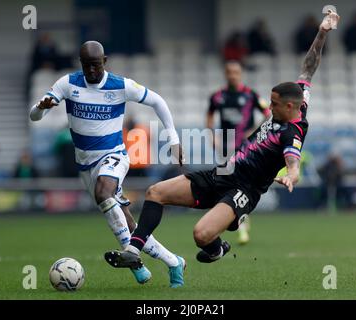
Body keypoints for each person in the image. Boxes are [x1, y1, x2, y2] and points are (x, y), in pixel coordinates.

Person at [105, 10, 340, 278]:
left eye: (273, 104)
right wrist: (323, 32)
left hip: (244, 189)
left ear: (288, 106)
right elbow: (309, 66)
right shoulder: (300, 100)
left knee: (201, 235)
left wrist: (292, 175)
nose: (269, 107)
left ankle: (217, 248)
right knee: (155, 192)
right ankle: (133, 253)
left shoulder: (292, 131)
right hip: (222, 172)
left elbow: (292, 159)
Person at [29, 41, 186, 288]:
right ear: (80, 64)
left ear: (105, 61)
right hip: (85, 165)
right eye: (86, 66)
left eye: (95, 65)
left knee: (104, 193)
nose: (91, 71)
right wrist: (40, 107)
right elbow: (34, 116)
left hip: (114, 155)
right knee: (125, 220)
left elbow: (158, 101)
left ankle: (132, 258)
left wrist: (174, 140)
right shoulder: (67, 84)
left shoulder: (120, 85)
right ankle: (173, 261)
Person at [207, 60, 271, 244]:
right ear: (226, 74)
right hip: (226, 146)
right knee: (228, 184)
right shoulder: (218, 96)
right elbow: (210, 115)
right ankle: (238, 220)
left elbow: (268, 114)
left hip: (245, 147)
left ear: (240, 73)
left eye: (236, 72)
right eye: (229, 72)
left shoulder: (251, 95)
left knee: (240, 183)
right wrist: (212, 135)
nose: (232, 75)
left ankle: (241, 223)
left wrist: (253, 131)